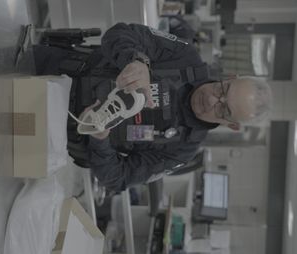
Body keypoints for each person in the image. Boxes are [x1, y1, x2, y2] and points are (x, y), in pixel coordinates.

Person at [33, 22, 272, 191]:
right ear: (229, 76)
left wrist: (100, 138)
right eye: (222, 90)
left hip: (49, 136)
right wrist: (137, 61)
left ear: (231, 125)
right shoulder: (185, 57)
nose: (211, 100)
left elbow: (118, 178)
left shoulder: (182, 149)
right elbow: (120, 33)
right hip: (46, 70)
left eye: (223, 110)